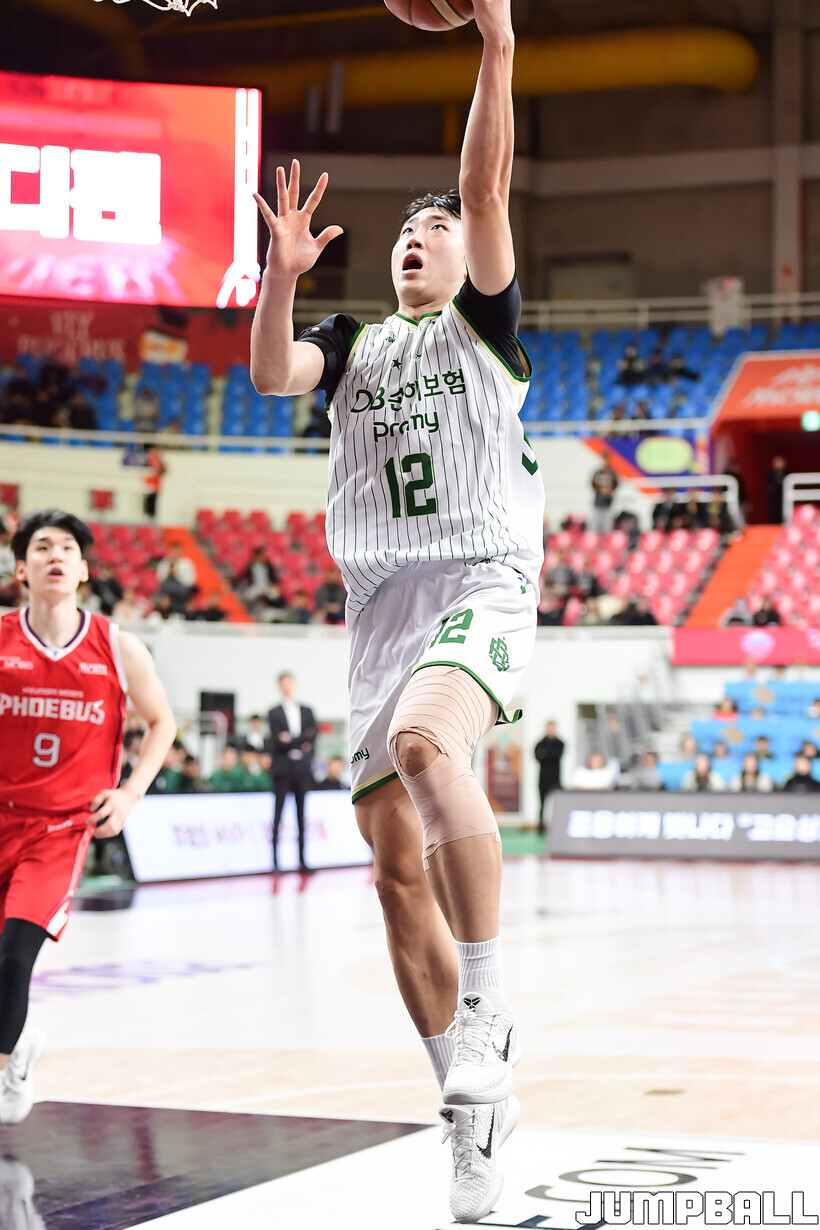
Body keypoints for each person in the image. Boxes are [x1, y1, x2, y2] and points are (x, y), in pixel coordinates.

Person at [251, 3, 542, 1218]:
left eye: (437, 230)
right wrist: (278, 279)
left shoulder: (482, 328)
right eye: (407, 233)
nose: (419, 238)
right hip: (378, 610)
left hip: (478, 581)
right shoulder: (353, 344)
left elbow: (482, 189)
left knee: (429, 743)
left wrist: (496, 43)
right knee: (388, 875)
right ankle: (469, 1120)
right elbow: (271, 372)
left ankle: (488, 1005)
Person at [0, 509, 175, 1124]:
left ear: (82, 570)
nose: (55, 555)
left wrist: (129, 795)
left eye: (67, 548)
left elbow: (163, 723)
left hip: (59, 828)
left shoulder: (118, 647)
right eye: (42, 546)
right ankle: (21, 1042)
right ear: (21, 569)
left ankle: (5, 1065)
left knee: (15, 950)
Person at [267, 673, 317, 872]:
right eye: (283, 683)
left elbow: (313, 736)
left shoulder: (306, 710)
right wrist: (301, 740)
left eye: (289, 682)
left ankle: (302, 860)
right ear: (279, 686)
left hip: (301, 769)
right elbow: (277, 741)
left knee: (301, 815)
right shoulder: (274, 712)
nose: (286, 686)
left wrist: (291, 739)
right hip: (282, 769)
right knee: (278, 814)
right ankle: (275, 862)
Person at [534, 721, 563, 833]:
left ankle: (558, 825)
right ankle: (541, 826)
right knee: (542, 804)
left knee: (557, 803)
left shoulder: (560, 743)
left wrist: (545, 754)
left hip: (555, 779)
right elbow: (538, 756)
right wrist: (547, 755)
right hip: (543, 779)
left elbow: (556, 755)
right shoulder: (540, 743)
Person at [590, 453, 619, 534]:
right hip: (598, 500)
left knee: (607, 523)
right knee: (596, 521)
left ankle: (606, 537)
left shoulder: (612, 473)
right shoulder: (598, 473)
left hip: (608, 500)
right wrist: (600, 491)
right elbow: (593, 483)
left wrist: (608, 491)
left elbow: (616, 484)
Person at [766, 456, 788, 525]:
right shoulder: (771, 474)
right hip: (774, 498)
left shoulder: (787, 474)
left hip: (784, 497)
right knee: (774, 513)